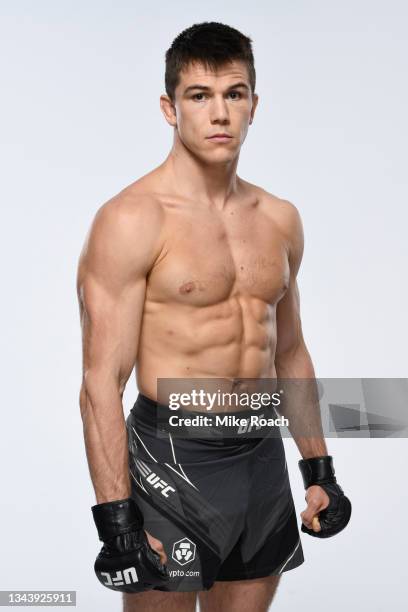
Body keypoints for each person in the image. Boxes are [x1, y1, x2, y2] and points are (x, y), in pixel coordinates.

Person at [77, 21, 351, 612]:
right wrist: (115, 519)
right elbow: (100, 381)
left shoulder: (279, 219)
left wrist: (319, 469)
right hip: (171, 458)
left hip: (259, 458)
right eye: (199, 96)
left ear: (256, 105)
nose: (220, 113)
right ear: (169, 108)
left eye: (235, 94)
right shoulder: (130, 220)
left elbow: (290, 353)